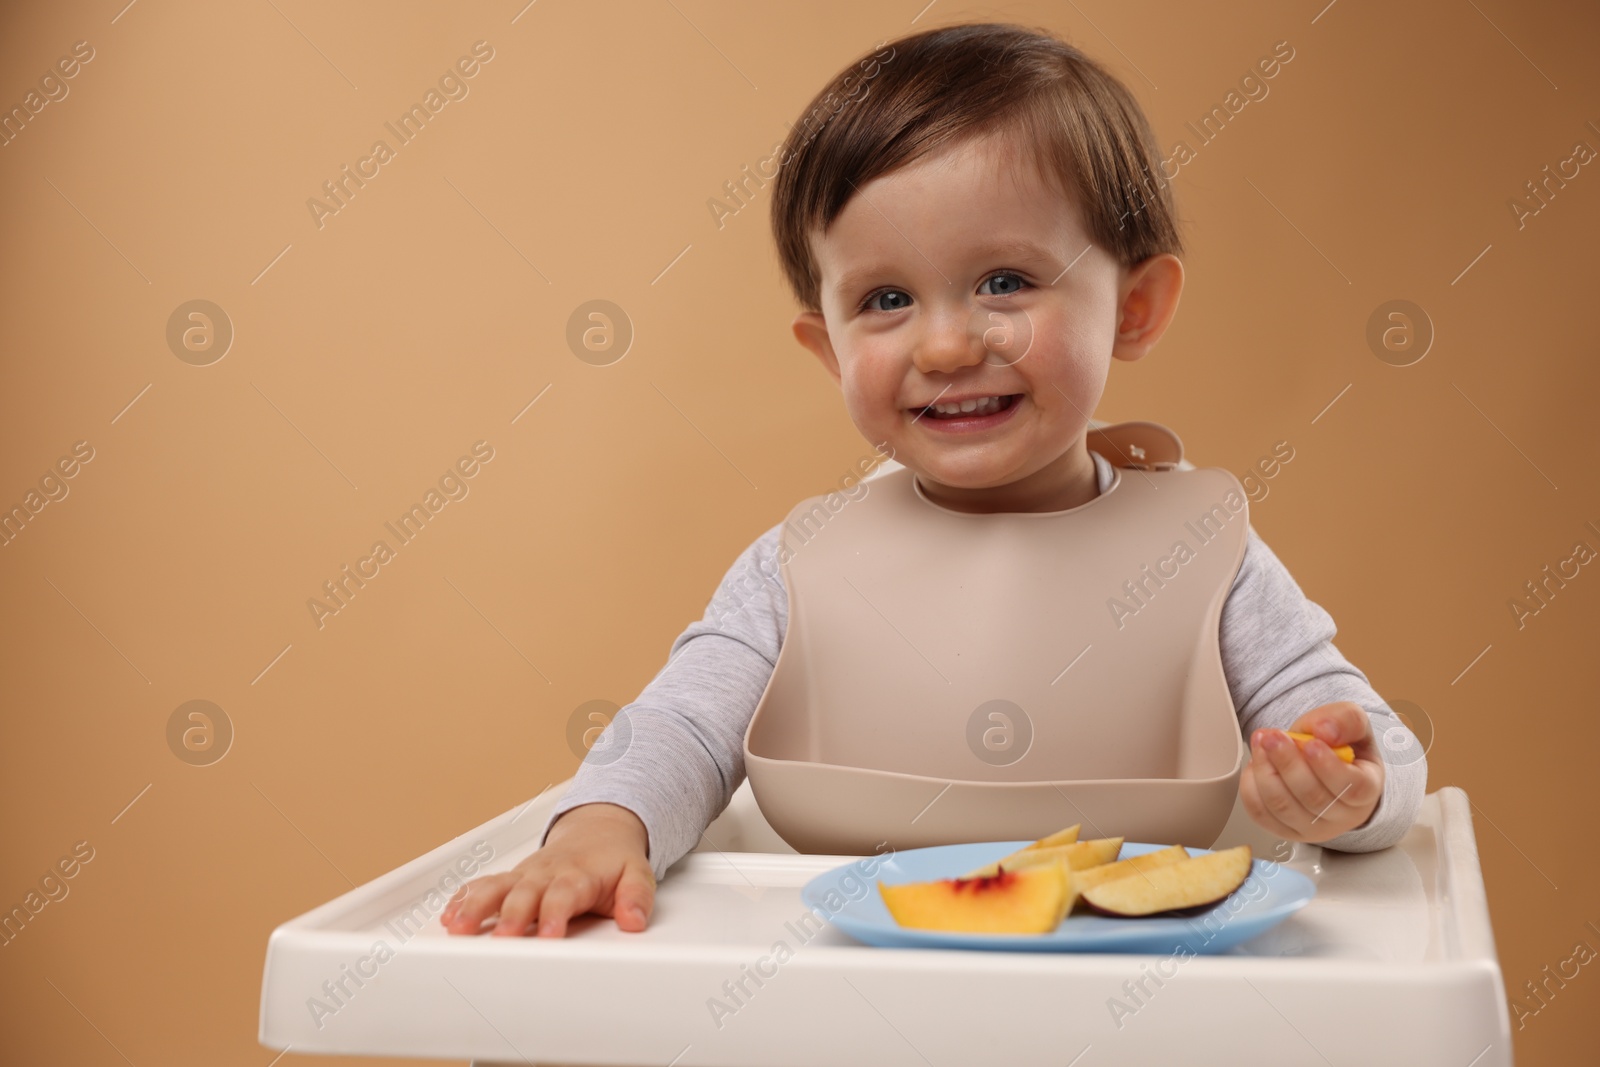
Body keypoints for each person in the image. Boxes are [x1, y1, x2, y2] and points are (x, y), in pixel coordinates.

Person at [441, 21, 1426, 939]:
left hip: (1133, 994)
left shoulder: (1200, 555)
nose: (948, 343)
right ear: (826, 348)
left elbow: (1371, 749)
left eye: (1004, 280)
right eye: (886, 299)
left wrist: (1345, 788)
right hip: (849, 1004)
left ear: (1133, 307)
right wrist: (598, 829)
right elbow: (680, 728)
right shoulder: (800, 570)